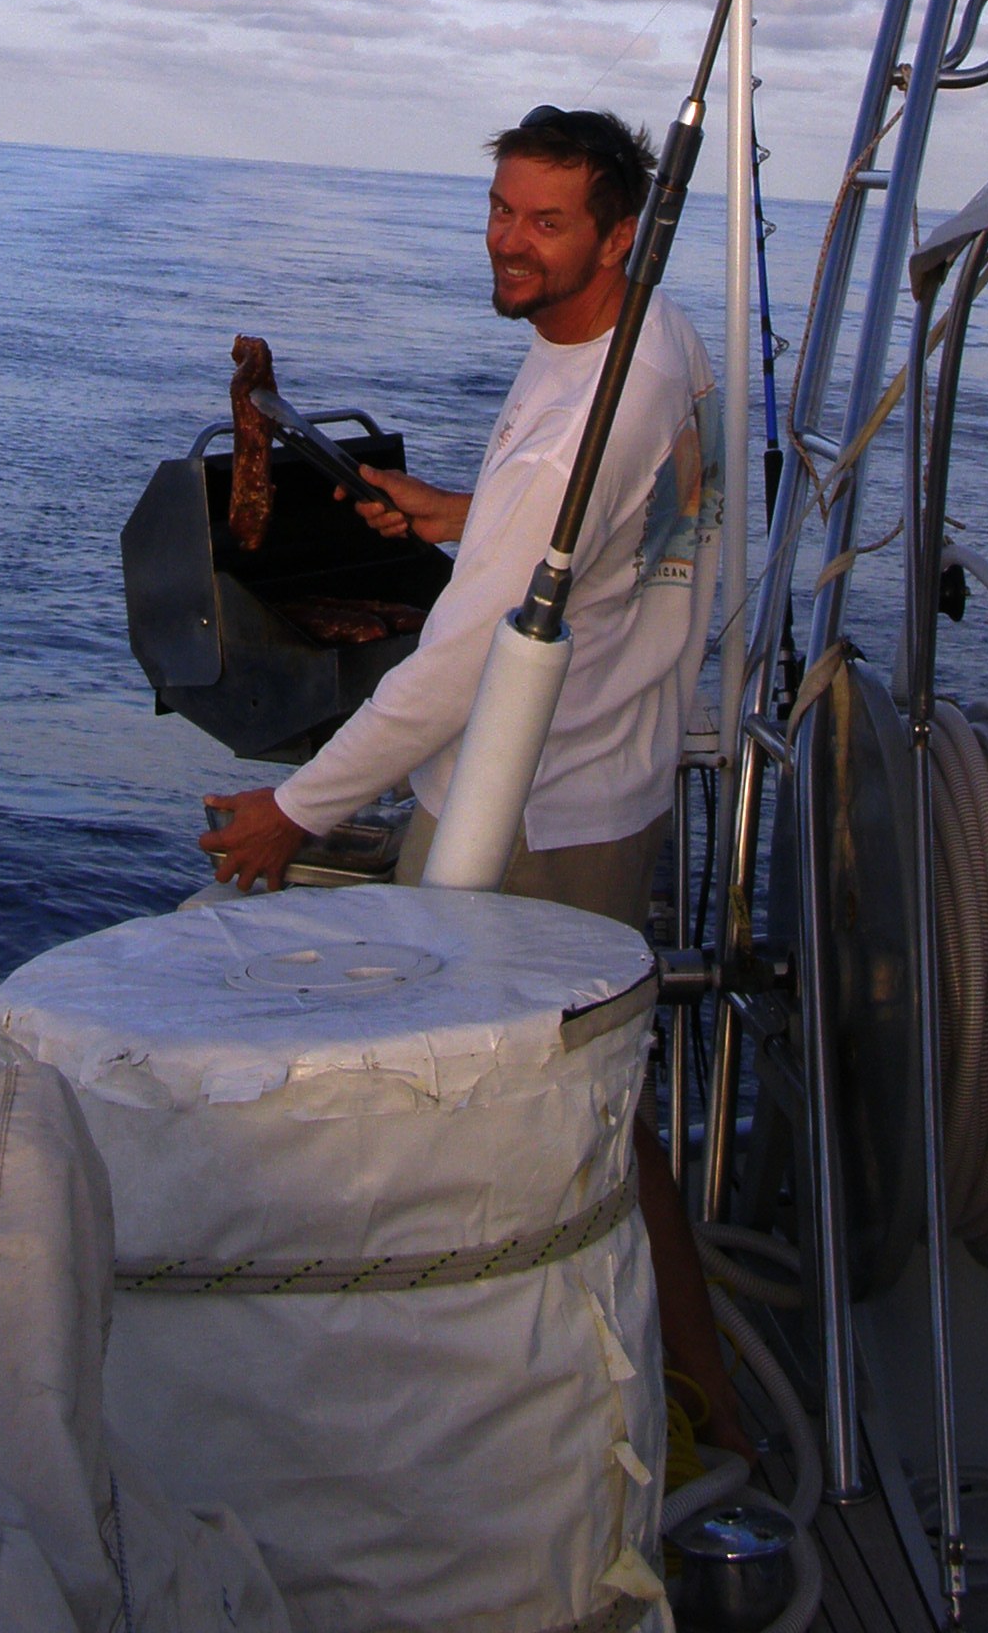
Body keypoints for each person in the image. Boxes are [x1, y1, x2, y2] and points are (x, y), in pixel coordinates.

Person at [198, 104, 751, 1456]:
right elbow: (598, 549)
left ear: (617, 234)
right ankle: (711, 1396)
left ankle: (506, 1416)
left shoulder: (578, 431)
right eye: (502, 209)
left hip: (529, 813)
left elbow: (457, 676)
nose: (509, 242)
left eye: (545, 221)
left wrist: (293, 811)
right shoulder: (650, 346)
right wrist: (456, 514)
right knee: (602, 1107)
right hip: (609, 786)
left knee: (480, 1114)